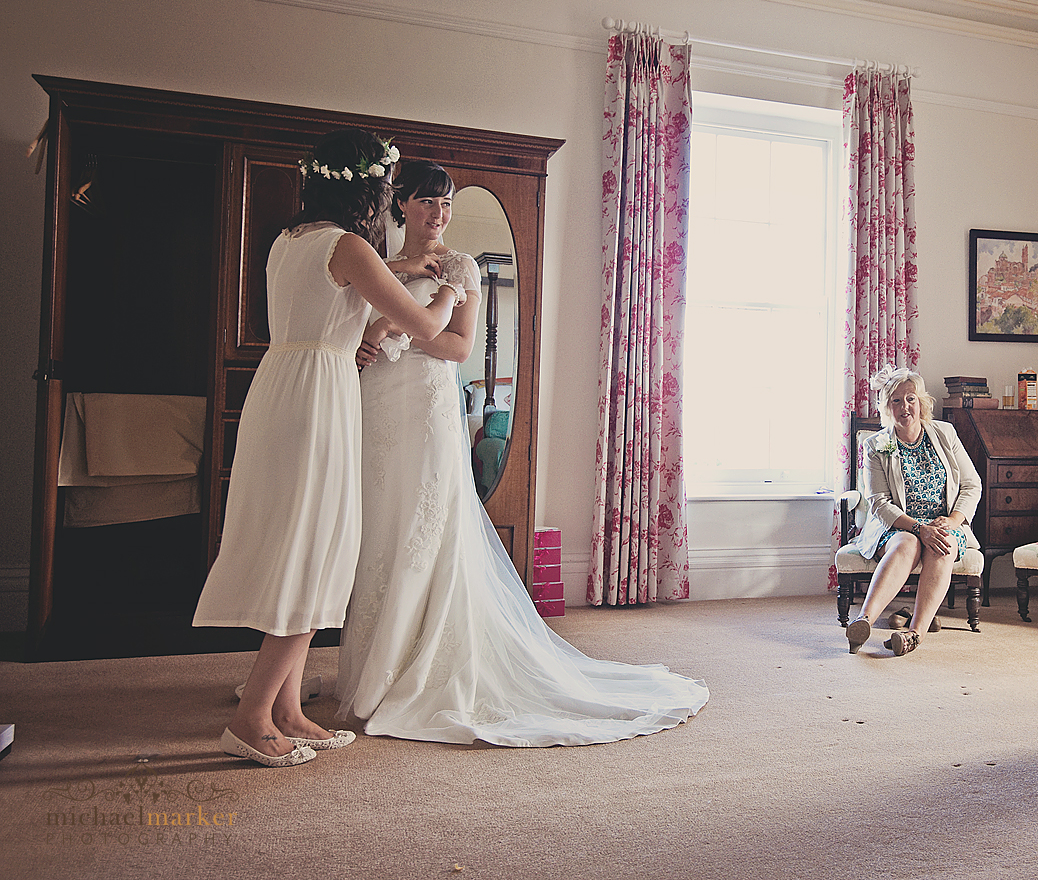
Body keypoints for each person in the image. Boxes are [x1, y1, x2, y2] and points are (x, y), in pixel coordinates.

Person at [336, 160, 709, 746]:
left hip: (426, 409)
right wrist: (363, 342)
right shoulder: (373, 259)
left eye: (448, 205)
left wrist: (392, 333)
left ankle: (418, 669)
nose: (439, 215)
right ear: (401, 203)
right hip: (374, 404)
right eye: (429, 203)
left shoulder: (460, 268)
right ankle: (370, 670)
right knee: (378, 529)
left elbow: (459, 348)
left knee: (421, 529)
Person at [194, 129, 462, 767]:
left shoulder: (292, 240)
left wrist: (398, 270)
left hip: (284, 385)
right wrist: (452, 283)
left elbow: (337, 289)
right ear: (372, 188)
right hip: (320, 394)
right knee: (314, 548)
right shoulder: (351, 245)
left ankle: (288, 708)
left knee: (304, 542)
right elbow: (426, 325)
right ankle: (252, 717)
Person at [845, 366, 983, 657]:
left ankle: (914, 634)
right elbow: (880, 503)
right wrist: (919, 529)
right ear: (887, 408)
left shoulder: (945, 433)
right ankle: (863, 622)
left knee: (942, 546)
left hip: (944, 523)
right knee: (907, 543)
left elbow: (972, 485)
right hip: (898, 526)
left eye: (910, 399)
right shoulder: (877, 445)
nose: (904, 407)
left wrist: (954, 521)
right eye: (896, 401)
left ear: (921, 402)